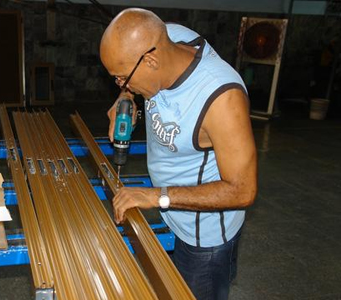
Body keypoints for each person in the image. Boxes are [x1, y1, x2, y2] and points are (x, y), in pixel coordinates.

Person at [100, 8, 257, 300]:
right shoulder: (170, 36)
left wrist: (156, 195)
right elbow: (134, 58)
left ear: (151, 60)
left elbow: (243, 190)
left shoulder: (221, 99)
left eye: (122, 78)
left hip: (204, 239)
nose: (120, 85)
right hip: (171, 210)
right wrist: (125, 96)